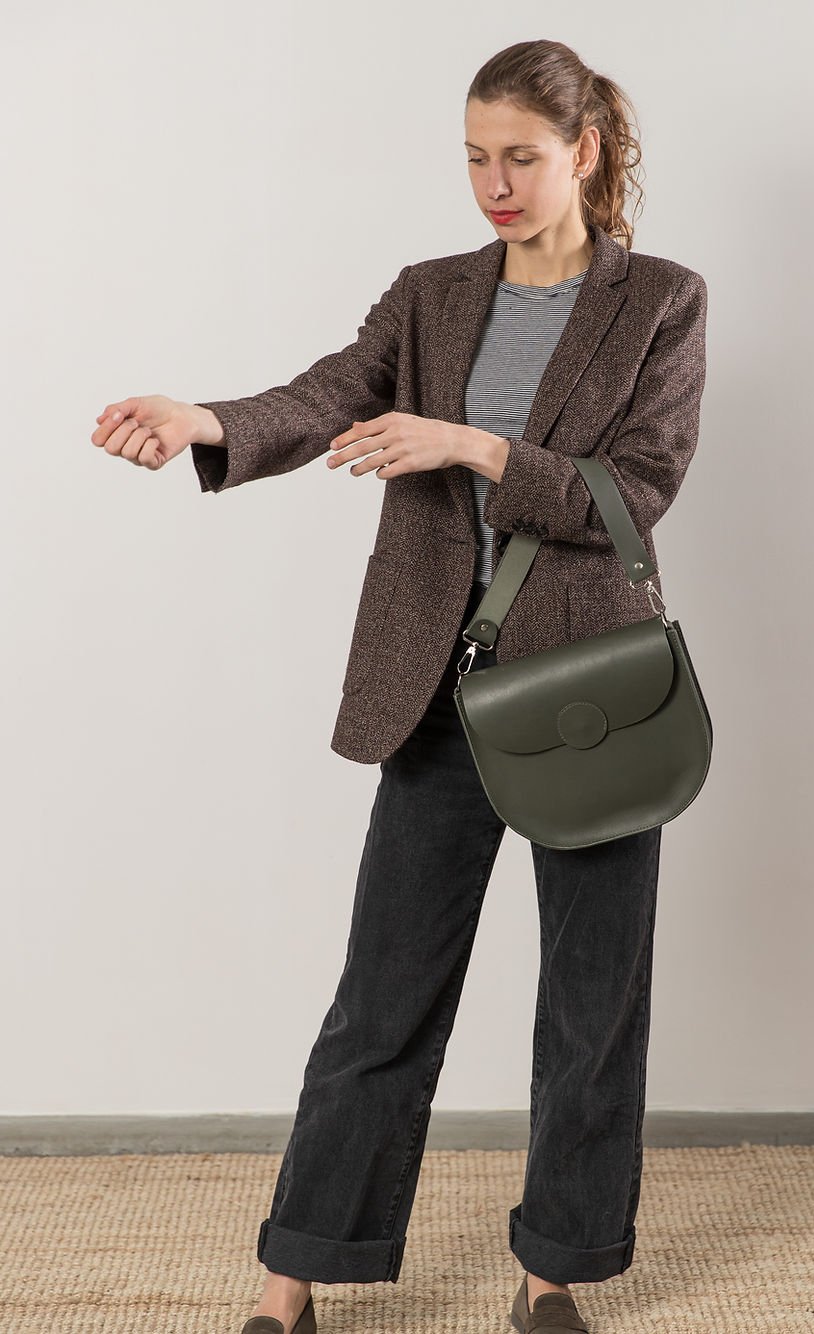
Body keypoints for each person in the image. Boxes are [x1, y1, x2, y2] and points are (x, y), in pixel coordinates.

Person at [91, 38, 707, 1334]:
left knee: (592, 1004)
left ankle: (557, 1274)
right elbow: (331, 390)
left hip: (588, 689)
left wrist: (473, 444)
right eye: (475, 156)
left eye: (521, 157)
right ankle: (295, 1275)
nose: (494, 182)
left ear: (584, 149)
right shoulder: (430, 294)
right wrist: (209, 422)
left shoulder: (661, 299)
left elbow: (635, 489)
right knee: (382, 997)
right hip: (436, 686)